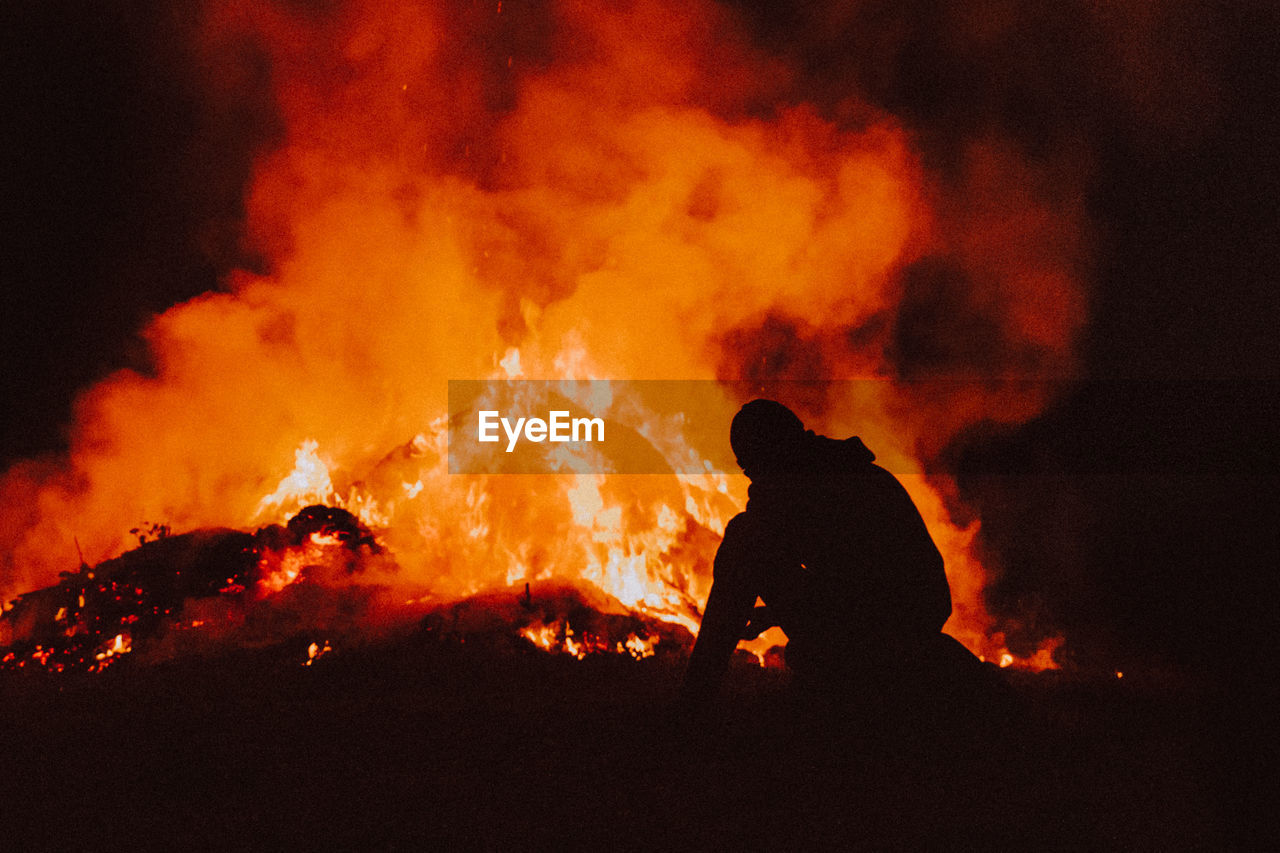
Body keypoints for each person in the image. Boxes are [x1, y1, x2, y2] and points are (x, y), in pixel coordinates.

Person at [682, 399, 967, 705]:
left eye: (749, 466)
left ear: (771, 453)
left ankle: (694, 701)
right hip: (902, 622)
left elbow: (865, 587)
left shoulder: (812, 488)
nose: (750, 477)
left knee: (745, 538)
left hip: (888, 634)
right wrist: (778, 613)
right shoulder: (846, 472)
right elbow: (850, 581)